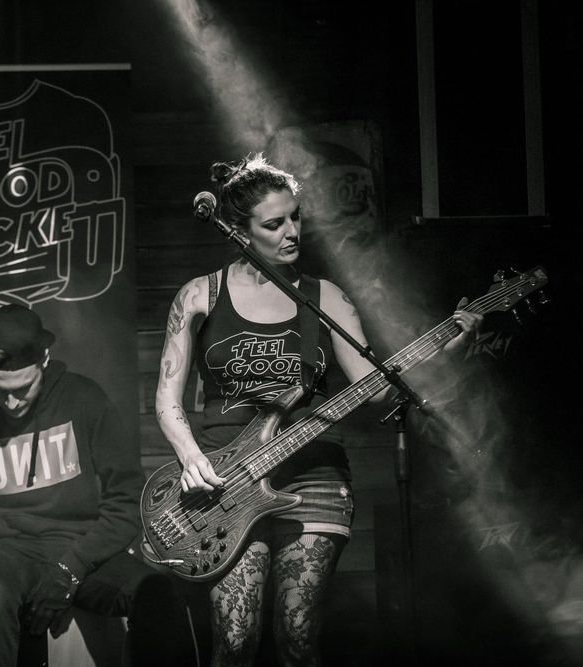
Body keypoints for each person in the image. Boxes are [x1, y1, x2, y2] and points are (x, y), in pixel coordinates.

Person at [154, 154, 482, 667]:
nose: (292, 232)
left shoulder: (325, 297)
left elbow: (375, 390)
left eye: (296, 217)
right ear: (240, 230)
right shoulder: (200, 294)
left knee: (299, 640)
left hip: (315, 477)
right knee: (235, 643)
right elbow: (167, 398)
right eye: (274, 223)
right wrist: (190, 456)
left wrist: (444, 358)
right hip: (224, 480)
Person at [0, 304, 198, 667]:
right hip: (1, 550)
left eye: (23, 389)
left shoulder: (84, 399)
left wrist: (71, 568)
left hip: (79, 545)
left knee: (158, 593)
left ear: (45, 360)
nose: (11, 403)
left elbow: (127, 497)